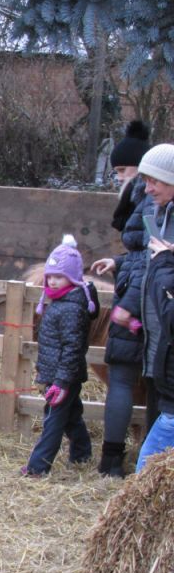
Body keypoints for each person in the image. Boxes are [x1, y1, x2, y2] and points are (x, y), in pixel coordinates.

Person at [89, 121, 152, 476]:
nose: (118, 178)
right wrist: (120, 262)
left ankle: (120, 460)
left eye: (123, 170)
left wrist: (126, 305)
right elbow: (146, 256)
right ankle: (138, 460)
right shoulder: (144, 202)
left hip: (138, 302)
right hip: (141, 297)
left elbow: (153, 260)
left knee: (125, 380)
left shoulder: (147, 202)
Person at [22, 236, 97, 477]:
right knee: (71, 415)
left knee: (53, 420)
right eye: (50, 276)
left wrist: (62, 383)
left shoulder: (71, 308)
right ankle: (82, 454)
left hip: (63, 377)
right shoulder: (61, 301)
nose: (52, 282)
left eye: (59, 277)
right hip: (57, 374)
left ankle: (38, 467)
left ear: (72, 278)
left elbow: (72, 349)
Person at [132, 144, 174, 473]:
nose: (147, 188)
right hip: (159, 340)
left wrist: (165, 263)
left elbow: (165, 275)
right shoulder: (160, 214)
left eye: (154, 181)